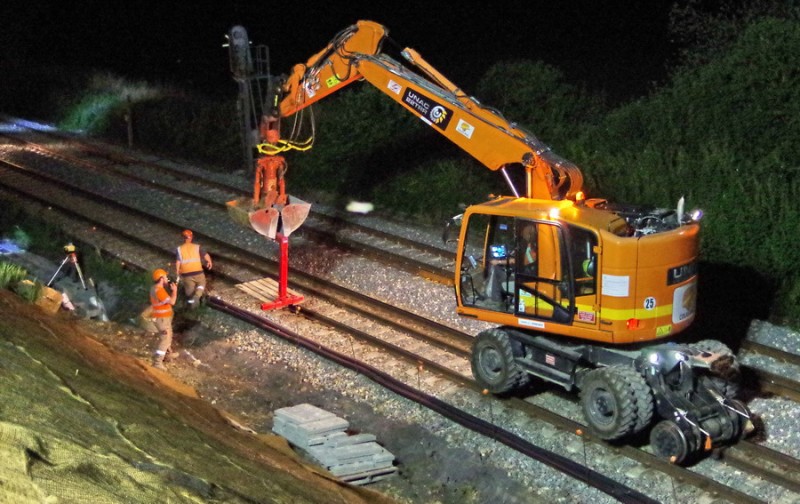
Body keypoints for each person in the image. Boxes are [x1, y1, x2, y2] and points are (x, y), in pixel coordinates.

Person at [175, 229, 213, 309]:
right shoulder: (197, 247)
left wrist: (177, 271)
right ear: (191, 237)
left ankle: (191, 306)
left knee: (189, 292)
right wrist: (209, 262)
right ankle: (197, 295)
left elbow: (178, 261)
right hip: (198, 272)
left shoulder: (179, 249)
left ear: (183, 238)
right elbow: (206, 255)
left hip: (186, 274)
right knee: (202, 284)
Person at [149, 268, 178, 370]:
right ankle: (157, 362)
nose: (167, 279)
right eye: (165, 277)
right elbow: (172, 302)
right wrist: (175, 291)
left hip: (162, 318)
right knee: (164, 340)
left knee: (168, 336)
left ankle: (168, 354)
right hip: (162, 319)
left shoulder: (155, 288)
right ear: (161, 278)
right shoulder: (159, 290)